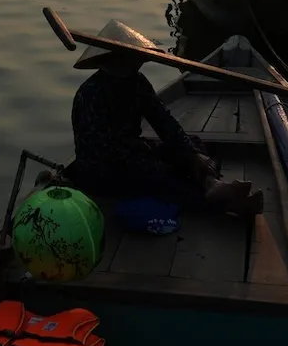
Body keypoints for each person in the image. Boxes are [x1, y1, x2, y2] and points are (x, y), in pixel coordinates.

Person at [66, 21, 262, 215]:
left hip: (135, 152)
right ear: (116, 58)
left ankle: (211, 183)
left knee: (191, 145)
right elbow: (107, 149)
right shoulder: (91, 94)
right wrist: (152, 158)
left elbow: (163, 121)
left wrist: (190, 154)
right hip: (103, 169)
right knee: (158, 175)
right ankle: (222, 204)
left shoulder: (137, 83)